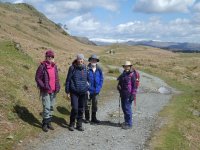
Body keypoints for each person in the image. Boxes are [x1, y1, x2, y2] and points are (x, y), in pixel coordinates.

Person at [35, 50, 60, 132]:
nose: (50, 58)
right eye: (48, 56)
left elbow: (56, 78)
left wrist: (58, 86)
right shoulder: (42, 66)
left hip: (53, 90)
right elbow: (37, 78)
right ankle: (44, 124)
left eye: (51, 57)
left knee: (51, 107)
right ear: (46, 57)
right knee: (46, 107)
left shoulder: (54, 66)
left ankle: (49, 123)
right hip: (45, 90)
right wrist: (43, 86)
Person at [65, 54, 89, 131]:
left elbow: (88, 80)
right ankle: (72, 123)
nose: (80, 61)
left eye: (81, 59)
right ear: (77, 59)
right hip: (74, 92)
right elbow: (68, 80)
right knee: (75, 108)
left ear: (83, 60)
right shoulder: (72, 68)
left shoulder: (86, 68)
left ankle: (79, 124)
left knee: (81, 109)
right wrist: (67, 91)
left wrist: (87, 88)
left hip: (83, 92)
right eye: (79, 59)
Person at [117, 61, 136, 129]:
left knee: (127, 109)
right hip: (123, 94)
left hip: (128, 95)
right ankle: (126, 121)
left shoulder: (132, 75)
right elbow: (120, 83)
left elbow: (134, 86)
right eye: (125, 66)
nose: (126, 67)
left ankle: (129, 124)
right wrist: (118, 86)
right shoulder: (123, 74)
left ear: (130, 66)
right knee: (124, 108)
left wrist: (133, 94)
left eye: (127, 66)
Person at [85, 54, 104, 124]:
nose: (94, 61)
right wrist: (87, 89)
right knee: (87, 104)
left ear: (96, 61)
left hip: (96, 91)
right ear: (90, 60)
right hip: (88, 91)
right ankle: (87, 118)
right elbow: (84, 80)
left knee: (95, 105)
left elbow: (101, 79)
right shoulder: (86, 69)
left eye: (95, 60)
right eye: (92, 59)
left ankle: (93, 118)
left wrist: (99, 88)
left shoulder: (99, 69)